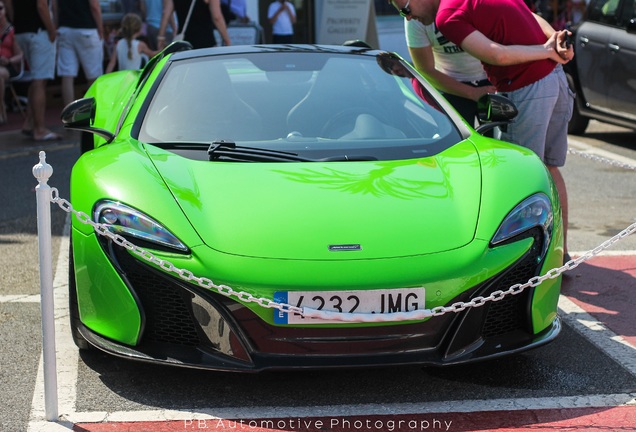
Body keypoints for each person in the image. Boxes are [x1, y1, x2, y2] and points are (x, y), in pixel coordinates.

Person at [391, 0, 574, 260]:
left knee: (521, 179)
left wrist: (548, 46)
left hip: (525, 83)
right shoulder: (447, 12)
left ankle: (527, 261)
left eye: (406, 9)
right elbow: (426, 70)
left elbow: (497, 54)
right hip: (549, 77)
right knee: (547, 168)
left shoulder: (447, 15)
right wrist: (552, 46)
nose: (407, 18)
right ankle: (559, 254)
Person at [405, 19, 496, 125]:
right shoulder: (413, 16)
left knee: (501, 139)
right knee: (458, 139)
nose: (407, 15)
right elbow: (425, 70)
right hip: (450, 87)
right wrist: (473, 93)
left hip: (493, 83)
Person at [6, 0, 60, 141]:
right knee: (40, 81)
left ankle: (30, 123)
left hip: (22, 31)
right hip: (38, 31)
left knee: (36, 79)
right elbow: (41, 5)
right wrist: (51, 30)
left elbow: (8, 4)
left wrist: (17, 22)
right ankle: (39, 129)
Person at [56, 0, 104, 108]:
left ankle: (68, 112)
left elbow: (55, 5)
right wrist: (100, 28)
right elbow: (94, 5)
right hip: (86, 28)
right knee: (93, 75)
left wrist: (56, 24)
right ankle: (94, 110)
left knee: (67, 74)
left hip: (65, 27)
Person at [157, 0, 231, 50]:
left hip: (183, 42)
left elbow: (166, 13)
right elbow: (217, 17)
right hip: (205, 41)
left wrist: (161, 37)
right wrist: (227, 40)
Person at [0, 0, 24, 125]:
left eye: (0, 8)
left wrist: (8, 60)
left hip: (10, 66)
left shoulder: (12, 31)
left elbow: (20, 55)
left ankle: (1, 109)